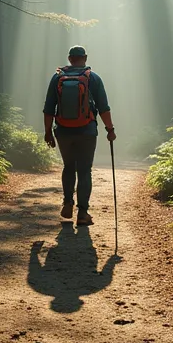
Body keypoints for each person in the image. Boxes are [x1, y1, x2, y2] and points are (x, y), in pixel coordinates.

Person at [42, 45, 115, 227]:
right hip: (87, 131)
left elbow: (49, 108)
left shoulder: (57, 78)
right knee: (84, 170)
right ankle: (82, 213)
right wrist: (110, 129)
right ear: (85, 58)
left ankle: (68, 202)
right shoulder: (93, 78)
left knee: (68, 167)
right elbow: (103, 107)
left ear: (69, 58)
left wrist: (48, 132)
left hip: (63, 131)